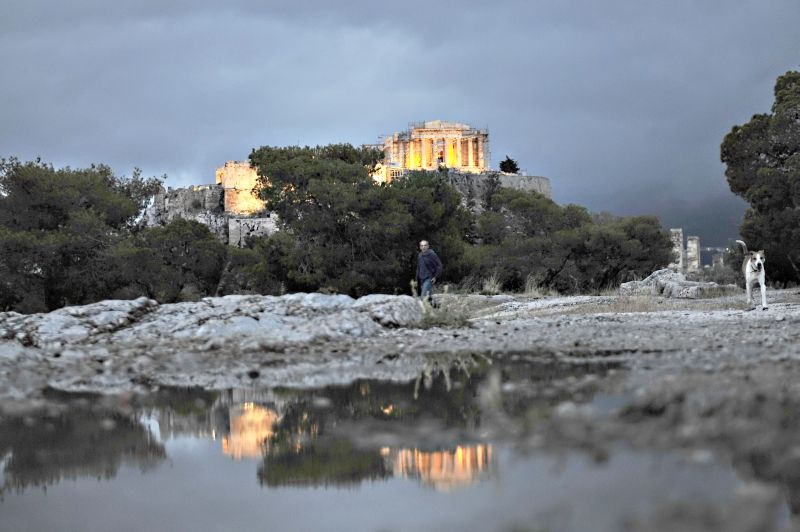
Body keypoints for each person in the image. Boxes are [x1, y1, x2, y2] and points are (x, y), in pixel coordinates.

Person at [416, 240, 443, 304]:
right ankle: (436, 306)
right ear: (420, 247)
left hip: (429, 278)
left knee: (422, 297)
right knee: (428, 296)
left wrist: (435, 277)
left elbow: (439, 266)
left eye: (425, 245)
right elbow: (418, 267)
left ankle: (422, 312)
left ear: (428, 246)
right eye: (422, 245)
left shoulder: (432, 254)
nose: (423, 247)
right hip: (421, 279)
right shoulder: (419, 255)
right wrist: (416, 279)